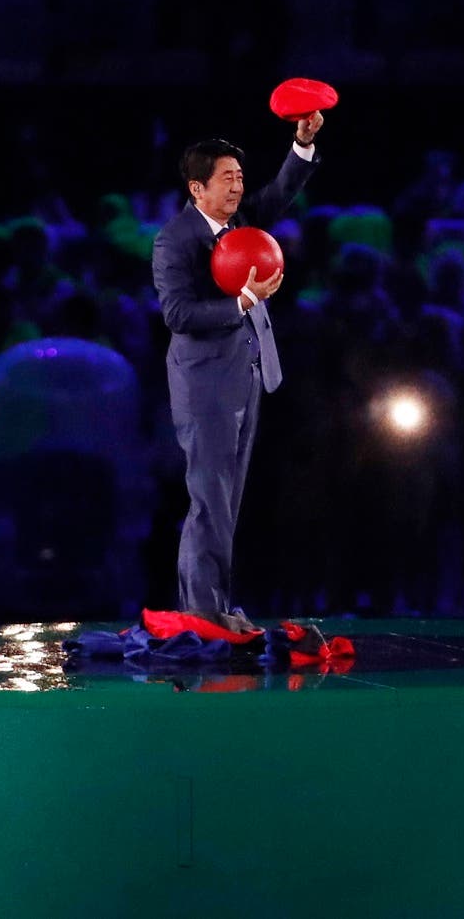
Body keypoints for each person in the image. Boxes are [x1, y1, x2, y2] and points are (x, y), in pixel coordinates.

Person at [152, 110, 324, 616]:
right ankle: (202, 614)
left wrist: (302, 143)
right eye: (226, 178)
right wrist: (242, 303)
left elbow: (281, 191)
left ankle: (215, 607)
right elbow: (177, 313)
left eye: (240, 177)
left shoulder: (240, 223)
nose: (237, 186)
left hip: (245, 376)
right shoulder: (174, 240)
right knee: (209, 503)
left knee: (226, 504)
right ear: (196, 188)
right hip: (204, 384)